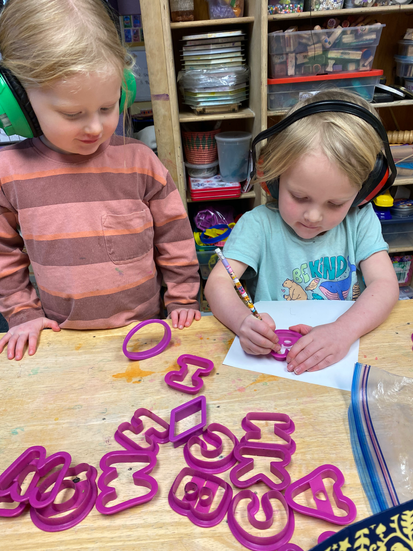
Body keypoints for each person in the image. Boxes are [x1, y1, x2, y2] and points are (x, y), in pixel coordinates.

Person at [0, 0, 201, 361]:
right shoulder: (8, 173)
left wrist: (182, 299)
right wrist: (23, 314)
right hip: (59, 341)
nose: (95, 127)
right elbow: (3, 254)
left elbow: (175, 238)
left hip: (147, 332)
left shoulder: (140, 161)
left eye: (107, 107)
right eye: (72, 113)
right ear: (19, 104)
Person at [205, 89, 399, 375]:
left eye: (335, 203)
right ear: (274, 178)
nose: (313, 216)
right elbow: (217, 284)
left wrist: (344, 331)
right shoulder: (258, 225)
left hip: (339, 362)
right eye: (299, 196)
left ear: (363, 193)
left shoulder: (360, 220)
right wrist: (242, 321)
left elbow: (385, 284)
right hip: (272, 366)